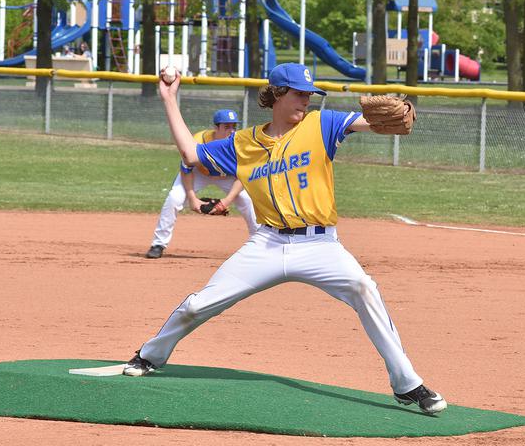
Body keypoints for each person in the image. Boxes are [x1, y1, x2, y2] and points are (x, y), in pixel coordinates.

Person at [124, 63, 447, 414]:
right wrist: (169, 98)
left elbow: (373, 122)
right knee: (199, 304)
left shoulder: (321, 123)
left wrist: (402, 114)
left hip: (320, 246)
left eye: (309, 94)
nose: (306, 100)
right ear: (277, 94)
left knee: (364, 288)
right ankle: (149, 355)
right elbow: (191, 155)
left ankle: (406, 383)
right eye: (299, 93)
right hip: (267, 244)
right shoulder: (243, 143)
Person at [145, 108, 259, 259]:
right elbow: (186, 170)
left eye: (233, 126)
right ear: (216, 127)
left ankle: (258, 243)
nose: (231, 131)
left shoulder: (239, 144)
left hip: (226, 175)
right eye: (226, 127)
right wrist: (192, 199)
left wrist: (226, 201)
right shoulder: (198, 140)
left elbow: (243, 177)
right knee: (174, 198)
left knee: (246, 199)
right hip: (200, 172)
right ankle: (158, 244)